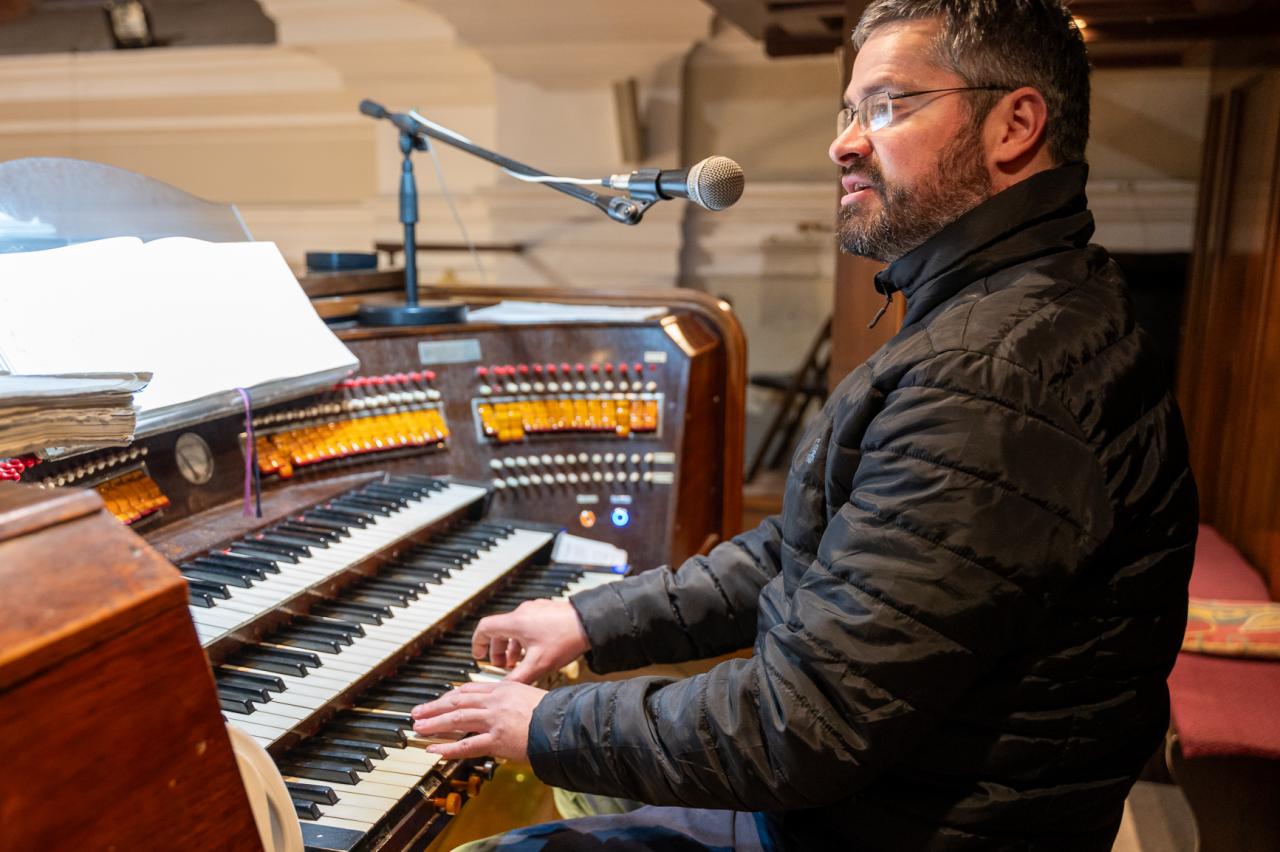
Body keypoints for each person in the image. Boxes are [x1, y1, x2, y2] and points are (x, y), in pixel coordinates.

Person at [410, 1, 1200, 849]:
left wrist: (544, 723)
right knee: (580, 792)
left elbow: (803, 724)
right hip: (888, 807)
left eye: (887, 106)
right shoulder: (1026, 302)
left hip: (886, 831)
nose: (843, 143)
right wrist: (592, 622)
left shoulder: (990, 377)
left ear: (1015, 126)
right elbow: (814, 548)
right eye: (848, 110)